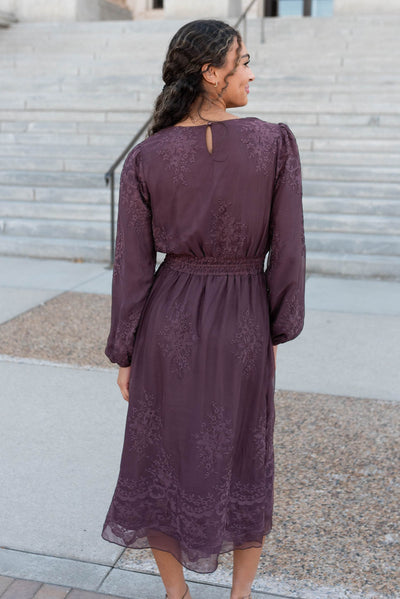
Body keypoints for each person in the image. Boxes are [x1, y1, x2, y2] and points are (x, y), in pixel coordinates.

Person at [101, 18, 306, 599]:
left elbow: (133, 266)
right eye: (242, 62)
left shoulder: (147, 156)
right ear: (210, 74)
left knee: (160, 450)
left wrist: (125, 349)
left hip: (168, 319)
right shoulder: (273, 143)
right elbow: (288, 249)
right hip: (242, 316)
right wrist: (276, 326)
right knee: (246, 449)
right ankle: (240, 595)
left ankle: (177, 593)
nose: (251, 72)